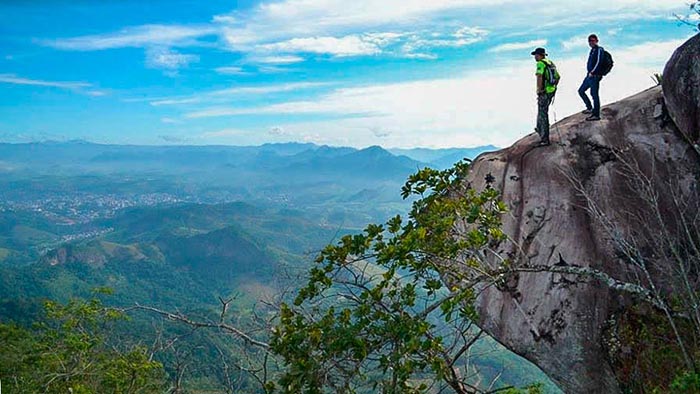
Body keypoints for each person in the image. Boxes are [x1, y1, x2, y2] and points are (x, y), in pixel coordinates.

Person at [531, 47, 559, 147]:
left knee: (543, 114)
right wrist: (554, 87)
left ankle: (545, 139)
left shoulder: (540, 64)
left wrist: (539, 90)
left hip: (544, 92)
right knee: (543, 112)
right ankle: (539, 128)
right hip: (551, 91)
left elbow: (539, 76)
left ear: (540, 55)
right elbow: (558, 77)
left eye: (536, 55)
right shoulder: (550, 63)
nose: (535, 57)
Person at [578, 34, 604, 121]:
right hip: (589, 75)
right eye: (589, 41)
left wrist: (593, 72)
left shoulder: (599, 49)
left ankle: (596, 115)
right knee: (581, 91)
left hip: (595, 76)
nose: (591, 42)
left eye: (593, 40)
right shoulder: (592, 50)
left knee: (594, 94)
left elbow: (599, 61)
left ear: (597, 40)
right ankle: (589, 108)